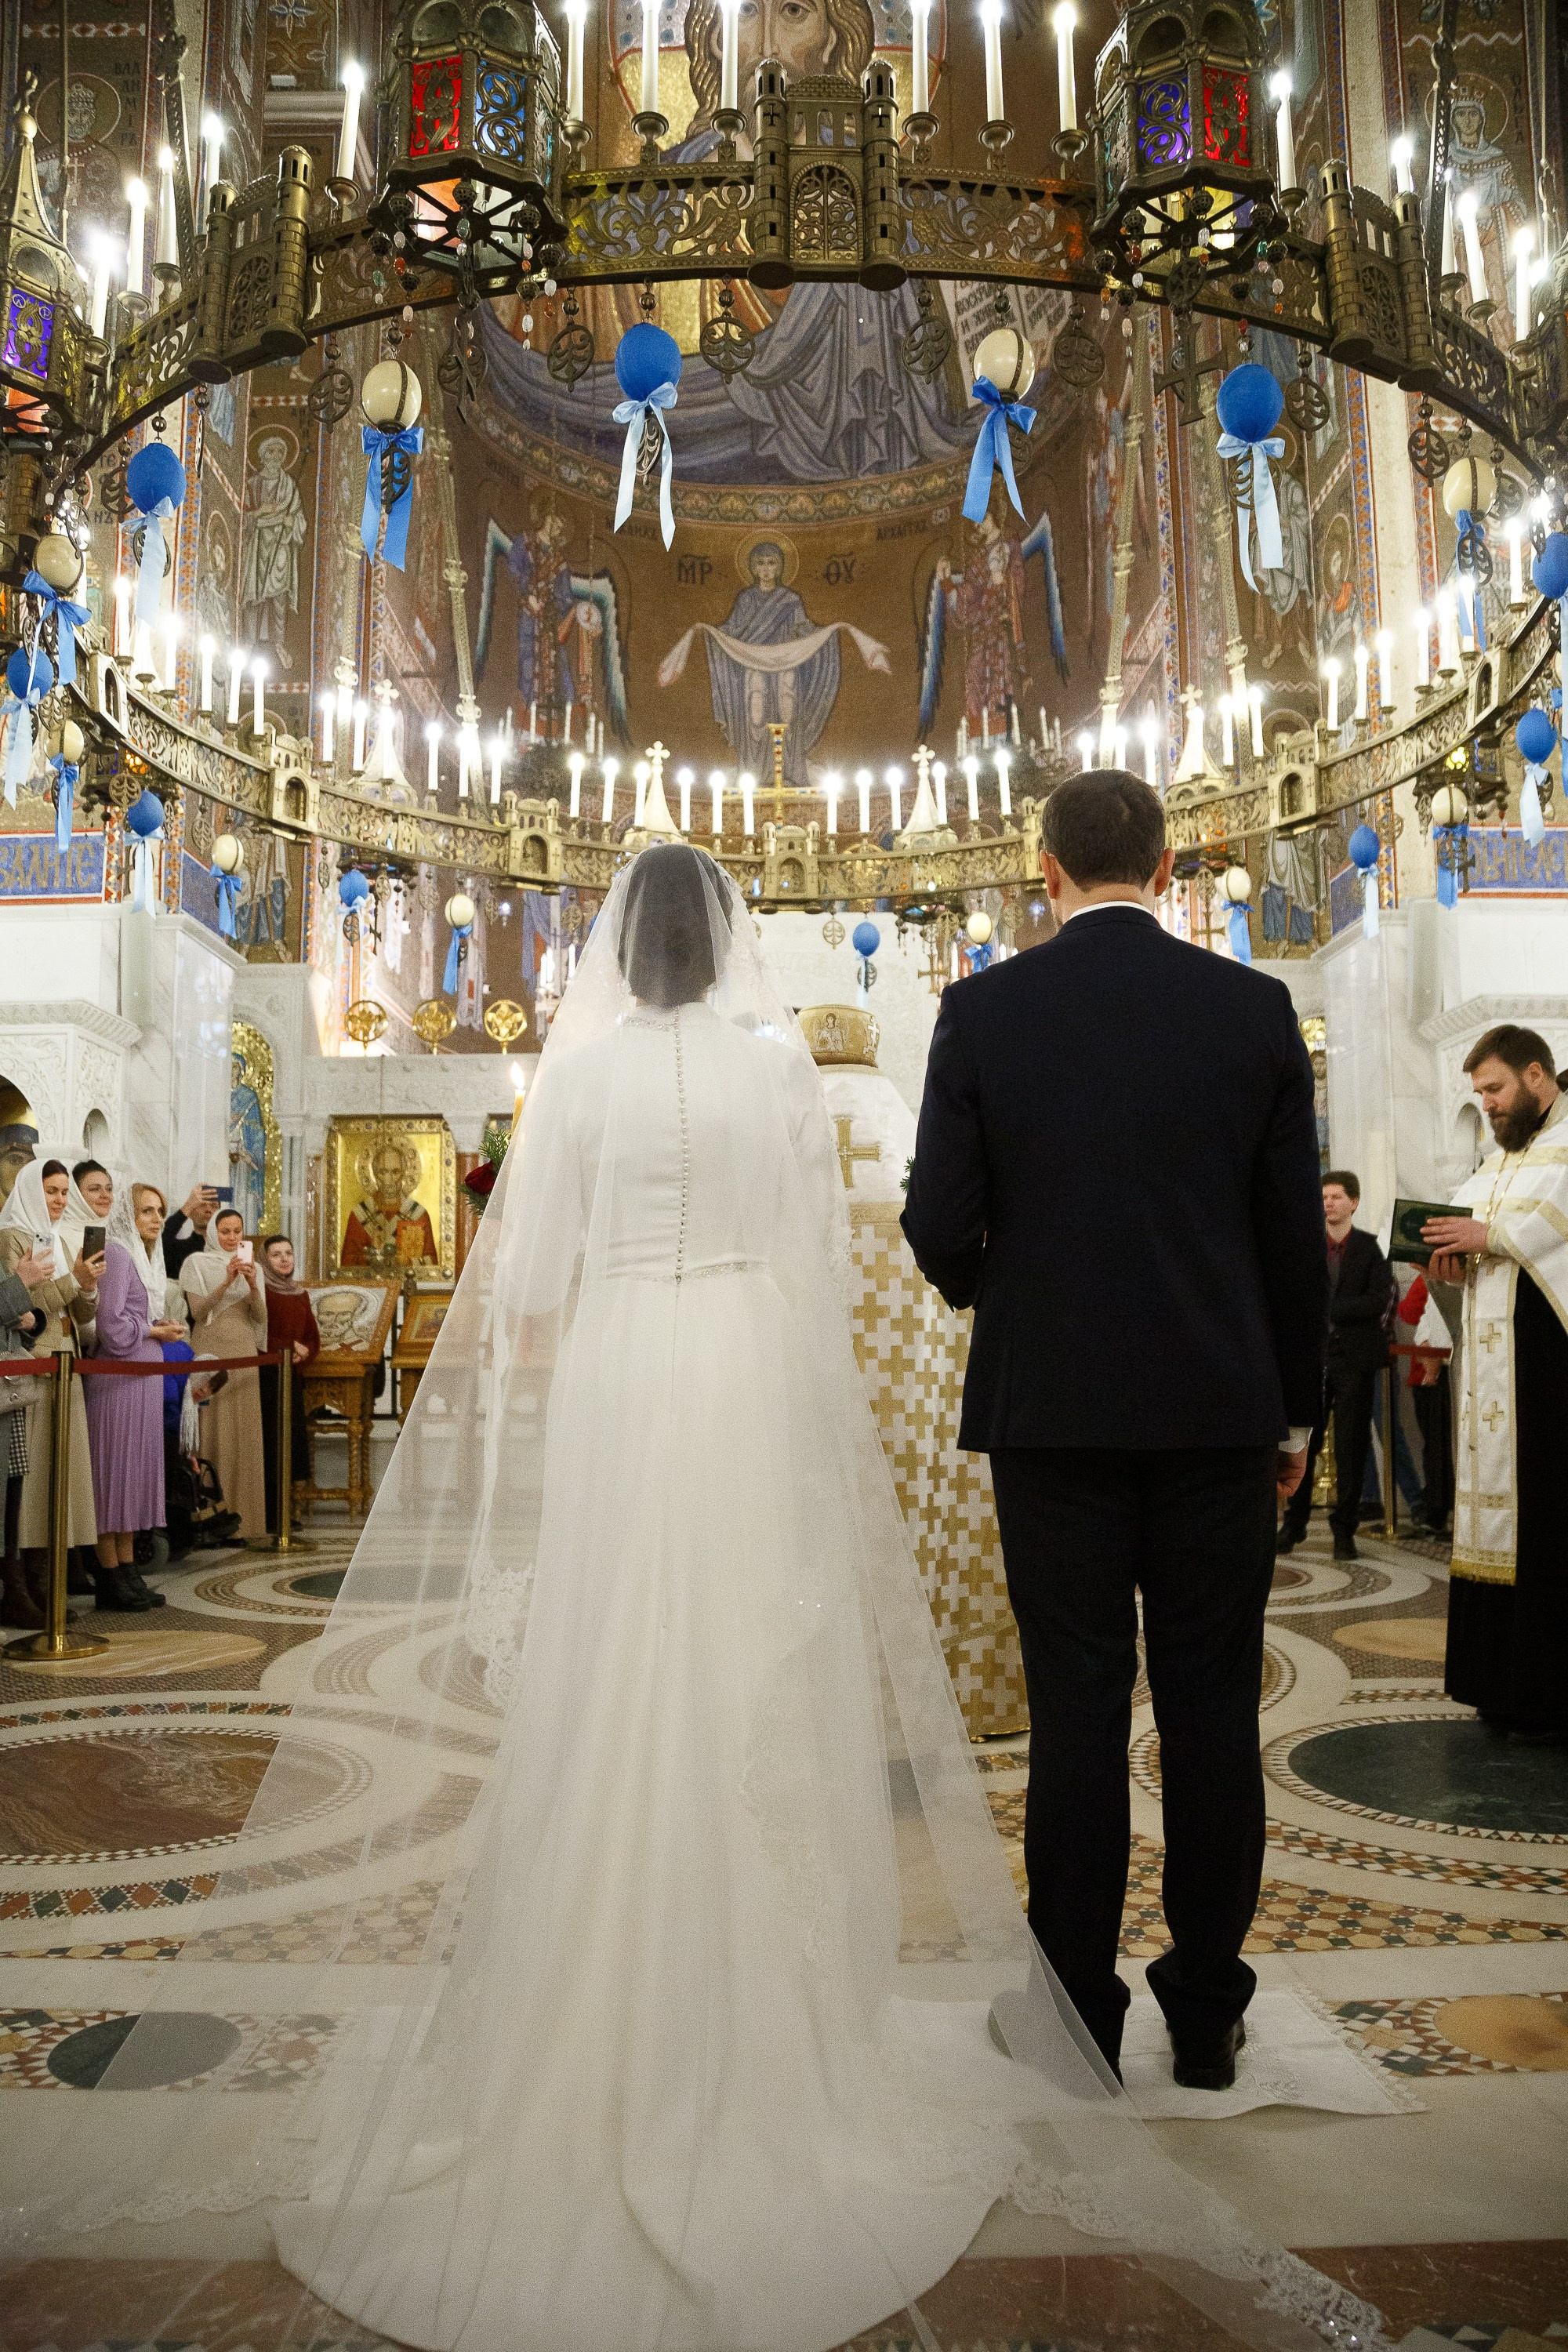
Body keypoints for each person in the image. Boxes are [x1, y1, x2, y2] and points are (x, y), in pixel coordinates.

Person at [902, 769, 1327, 2090]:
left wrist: (1015, 1295)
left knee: (1076, 1712)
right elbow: (1289, 1242)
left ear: (1047, 870)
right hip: (1219, 1413)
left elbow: (934, 1224)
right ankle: (1205, 2013)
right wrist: (1296, 1408)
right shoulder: (1253, 1009)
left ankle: (1077, 2009)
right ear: (1169, 864)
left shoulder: (982, 1009)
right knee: (1210, 1713)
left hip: (1053, 1418)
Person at [1425, 1024, 1567, 1737]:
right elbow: (1464, 1229)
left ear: (1537, 1076)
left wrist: (1494, 1238)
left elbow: (1547, 1228)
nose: (1487, 1104)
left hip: (1551, 1379)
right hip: (1493, 1380)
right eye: (1479, 1093)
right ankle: (1499, 1685)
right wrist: (1447, 1254)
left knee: (1548, 1519)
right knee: (1492, 1520)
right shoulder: (1493, 1163)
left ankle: (1551, 1692)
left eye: (1495, 1089)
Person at [1276, 1171, 1394, 1563]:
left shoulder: (1369, 1249)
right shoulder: (1309, 1246)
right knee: (1302, 1443)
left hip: (1354, 1361)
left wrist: (1329, 1311)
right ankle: (1294, 1525)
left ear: (1354, 1203)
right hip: (1312, 1360)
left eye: (1337, 1197)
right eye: (1324, 1197)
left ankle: (1345, 1530)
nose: (1329, 1203)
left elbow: (1378, 1300)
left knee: (1351, 1446)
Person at [0, 1156, 103, 1606]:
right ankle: (20, 1585)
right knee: (33, 1476)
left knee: (61, 1474)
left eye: (64, 1192)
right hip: (34, 1365)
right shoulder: (12, 1237)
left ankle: (48, 1584)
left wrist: (89, 1285)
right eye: (51, 1191)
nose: (60, 1200)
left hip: (67, 1360)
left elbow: (78, 1315)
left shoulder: (59, 1241)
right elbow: (24, 1312)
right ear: (29, 1190)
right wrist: (70, 1284)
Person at [83, 1182, 183, 1612]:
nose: (157, 1219)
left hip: (139, 1379)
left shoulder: (143, 1258)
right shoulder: (120, 1253)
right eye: (146, 1211)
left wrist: (155, 1325)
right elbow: (111, 1328)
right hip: (118, 1381)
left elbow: (132, 1316)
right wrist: (151, 1331)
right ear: (129, 1214)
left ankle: (127, 1568)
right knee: (114, 1476)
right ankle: (109, 1574)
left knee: (132, 1474)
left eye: (160, 1211)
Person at [180, 1206, 268, 1540]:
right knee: (211, 1430)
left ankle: (247, 1520)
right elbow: (198, 1312)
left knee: (244, 1434)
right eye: (226, 1232)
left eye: (238, 1232)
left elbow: (259, 1318)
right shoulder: (196, 1263)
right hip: (210, 1349)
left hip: (244, 1351)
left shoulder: (254, 1267)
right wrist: (227, 1280)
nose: (232, 1238)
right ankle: (209, 1522)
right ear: (213, 1233)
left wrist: (252, 1284)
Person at [0, 1236, 56, 1630]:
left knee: (12, 1493)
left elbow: (12, 1327)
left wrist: (31, 1321)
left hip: (8, 1390)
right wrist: (20, 1282)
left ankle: (17, 1591)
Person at [257, 1232, 319, 1531]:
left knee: (289, 1443)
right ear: (264, 1260)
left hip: (292, 1376)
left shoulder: (300, 1293)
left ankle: (284, 1512)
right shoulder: (261, 1292)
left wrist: (303, 1352)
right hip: (267, 1377)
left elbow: (311, 1336)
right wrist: (287, 1347)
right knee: (271, 1442)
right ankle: (269, 1513)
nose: (284, 1259)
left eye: (289, 1253)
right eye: (276, 1254)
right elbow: (260, 1334)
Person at [162, 1182, 221, 1280]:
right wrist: (188, 1206)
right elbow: (159, 1240)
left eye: (214, 1206)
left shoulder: (229, 1249)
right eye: (202, 1205)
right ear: (191, 1212)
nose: (208, 1209)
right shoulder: (178, 1249)